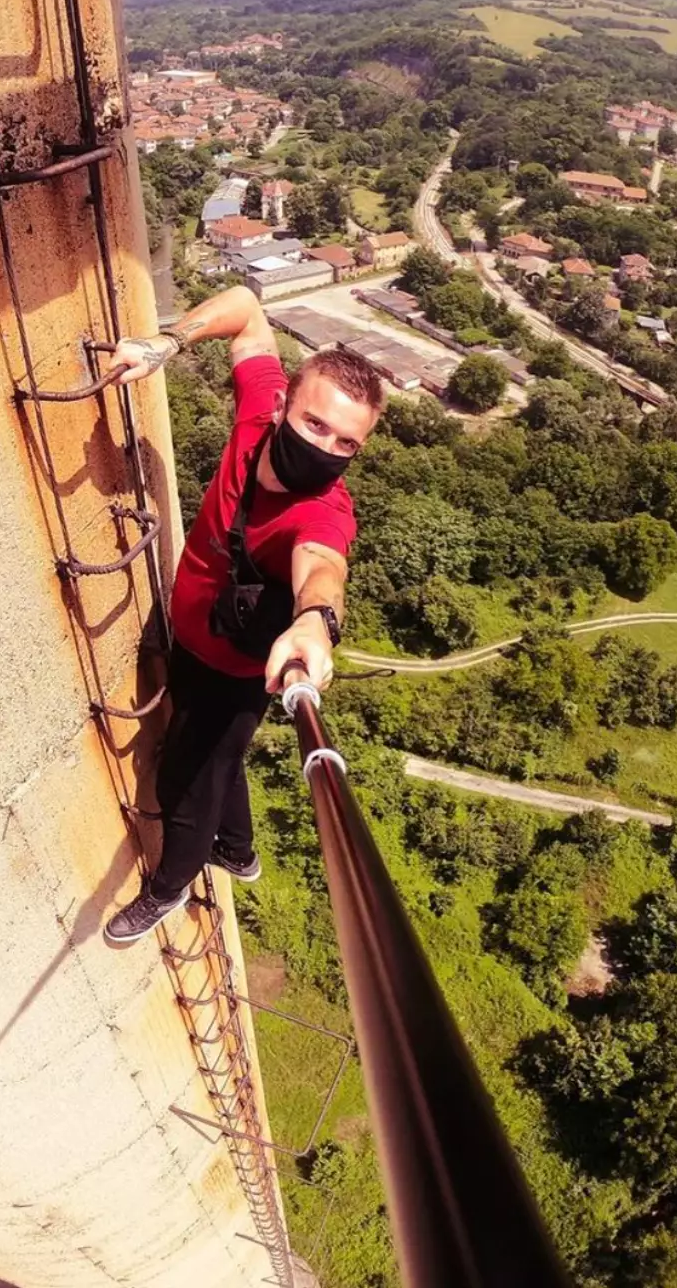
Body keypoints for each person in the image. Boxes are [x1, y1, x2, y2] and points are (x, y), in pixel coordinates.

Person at [102, 286, 385, 944]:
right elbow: (248, 310)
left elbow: (323, 567)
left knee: (186, 781)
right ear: (285, 402)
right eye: (316, 424)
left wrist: (317, 621)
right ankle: (239, 850)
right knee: (222, 761)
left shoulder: (322, 511)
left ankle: (169, 888)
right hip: (197, 645)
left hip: (240, 671)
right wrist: (165, 344)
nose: (326, 447)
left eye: (346, 442)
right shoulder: (259, 412)